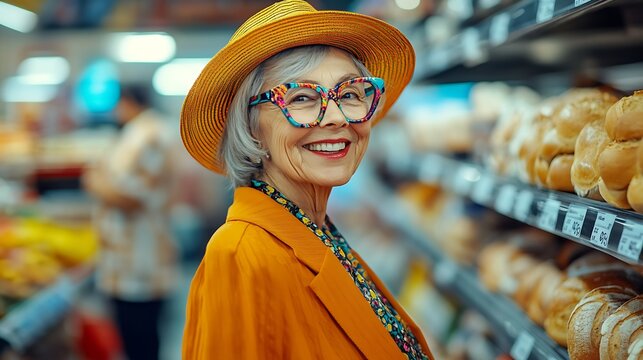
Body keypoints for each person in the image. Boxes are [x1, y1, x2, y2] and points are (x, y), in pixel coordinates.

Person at [180, 0, 434, 358]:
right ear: (251, 129)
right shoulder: (242, 254)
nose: (335, 117)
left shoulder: (314, 230)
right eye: (301, 97)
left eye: (349, 93)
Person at [83, 84, 177, 360]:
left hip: (140, 257)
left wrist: (94, 182)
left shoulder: (149, 135)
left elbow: (132, 197)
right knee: (133, 335)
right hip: (130, 256)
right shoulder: (141, 132)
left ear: (127, 101)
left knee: (140, 336)